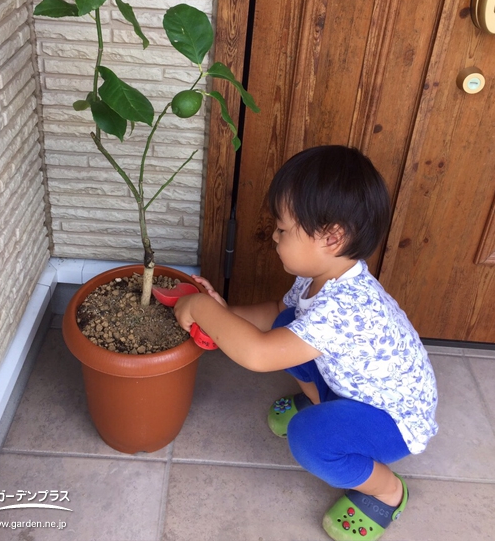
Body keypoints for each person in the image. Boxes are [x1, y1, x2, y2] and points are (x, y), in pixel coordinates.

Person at [174, 145, 438, 541]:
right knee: (287, 320)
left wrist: (199, 307)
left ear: (331, 237)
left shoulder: (345, 307)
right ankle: (323, 402)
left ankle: (387, 492)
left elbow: (259, 354)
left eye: (282, 229)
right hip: (357, 387)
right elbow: (274, 314)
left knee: (310, 438)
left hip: (392, 421)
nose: (275, 237)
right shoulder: (322, 274)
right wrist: (222, 313)